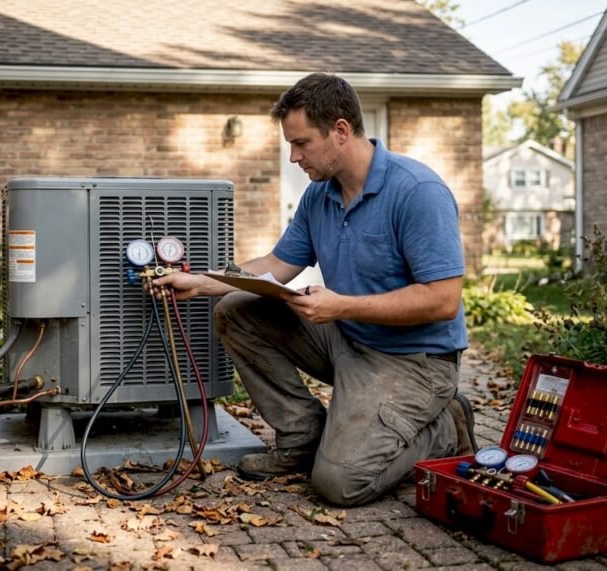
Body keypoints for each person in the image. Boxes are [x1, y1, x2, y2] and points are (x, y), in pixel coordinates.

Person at [153, 72, 476, 507]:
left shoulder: (416, 192)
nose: (293, 157)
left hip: (414, 361)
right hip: (349, 339)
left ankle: (446, 426)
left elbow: (442, 299)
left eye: (301, 143)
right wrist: (203, 281)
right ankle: (302, 437)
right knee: (236, 308)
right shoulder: (319, 195)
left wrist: (341, 306)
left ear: (340, 131)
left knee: (340, 484)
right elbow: (275, 266)